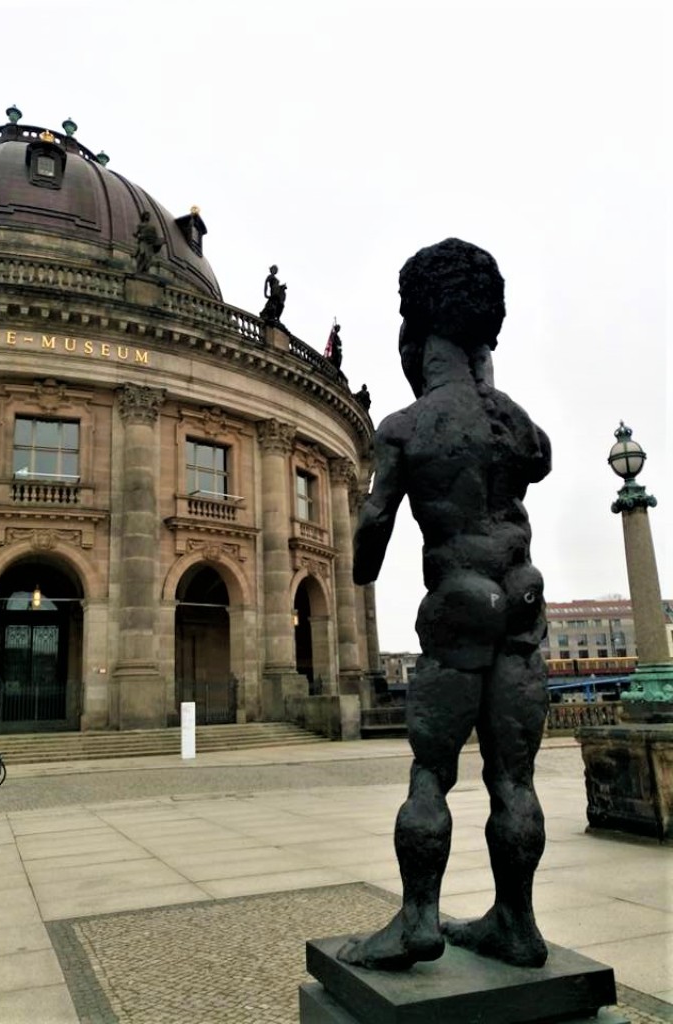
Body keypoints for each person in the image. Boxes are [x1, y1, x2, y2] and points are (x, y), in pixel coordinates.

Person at [339, 238, 552, 972]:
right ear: (483, 339)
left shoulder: (405, 426)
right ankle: (516, 924)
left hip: (459, 601)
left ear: (415, 338)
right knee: (513, 778)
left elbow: (372, 533)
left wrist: (363, 558)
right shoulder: (518, 425)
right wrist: (485, 378)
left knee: (432, 774)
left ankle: (418, 919)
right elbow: (534, 459)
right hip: (523, 598)